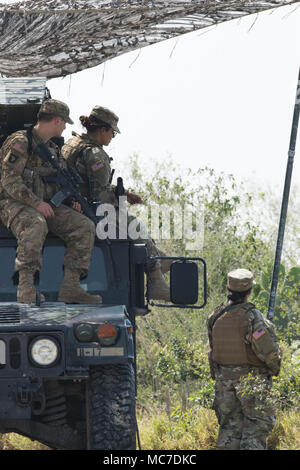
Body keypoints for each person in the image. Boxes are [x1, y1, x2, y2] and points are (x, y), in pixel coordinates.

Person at [62, 105, 171, 301]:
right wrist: (115, 199)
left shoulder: (71, 144)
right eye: (112, 132)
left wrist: (124, 193)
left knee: (137, 230)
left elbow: (88, 183)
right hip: (89, 211)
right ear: (102, 129)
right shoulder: (95, 154)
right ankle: (156, 278)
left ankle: (157, 259)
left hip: (71, 204)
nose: (112, 137)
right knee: (134, 225)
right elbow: (99, 194)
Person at [0, 99, 101, 304]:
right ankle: (26, 289)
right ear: (56, 120)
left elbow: (53, 181)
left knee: (84, 226)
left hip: (45, 204)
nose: (65, 127)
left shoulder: (53, 150)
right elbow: (9, 180)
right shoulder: (21, 142)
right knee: (36, 223)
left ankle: (71, 287)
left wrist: (71, 199)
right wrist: (37, 203)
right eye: (64, 122)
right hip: (12, 203)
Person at [207, 268, 281, 450]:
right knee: (254, 432)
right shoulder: (253, 317)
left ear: (228, 289)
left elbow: (212, 350)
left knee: (229, 433)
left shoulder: (215, 316)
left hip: (224, 384)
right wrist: (275, 367)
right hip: (251, 382)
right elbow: (267, 349)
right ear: (249, 292)